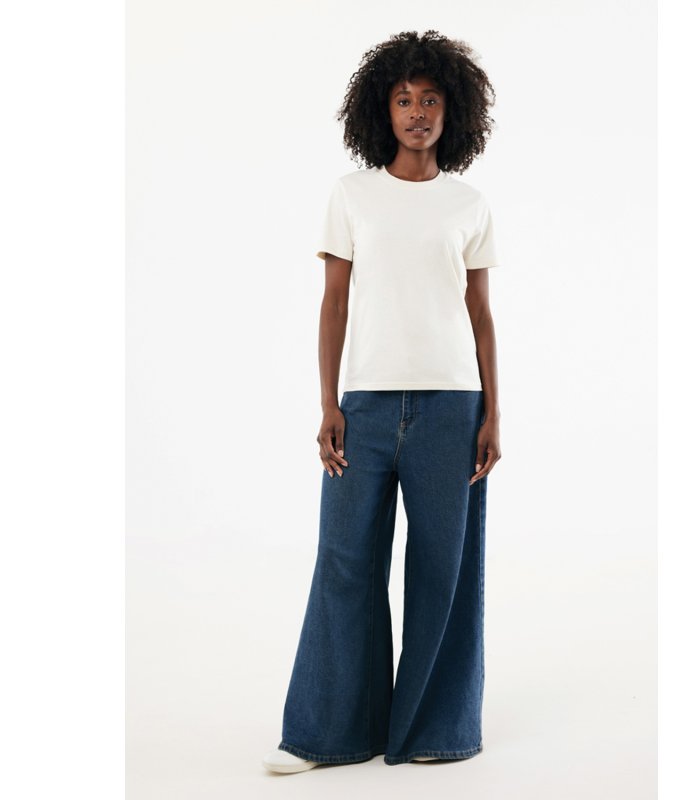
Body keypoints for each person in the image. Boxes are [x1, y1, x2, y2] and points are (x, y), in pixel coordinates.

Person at [262, 29, 502, 773]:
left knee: (444, 570)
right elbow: (333, 302)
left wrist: (494, 412)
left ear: (452, 112)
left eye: (430, 99)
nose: (417, 112)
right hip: (363, 407)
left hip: (452, 407)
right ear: (382, 109)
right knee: (345, 561)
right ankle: (328, 733)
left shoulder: (468, 204)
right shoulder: (352, 195)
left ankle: (434, 731)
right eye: (403, 99)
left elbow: (480, 312)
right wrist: (328, 403)